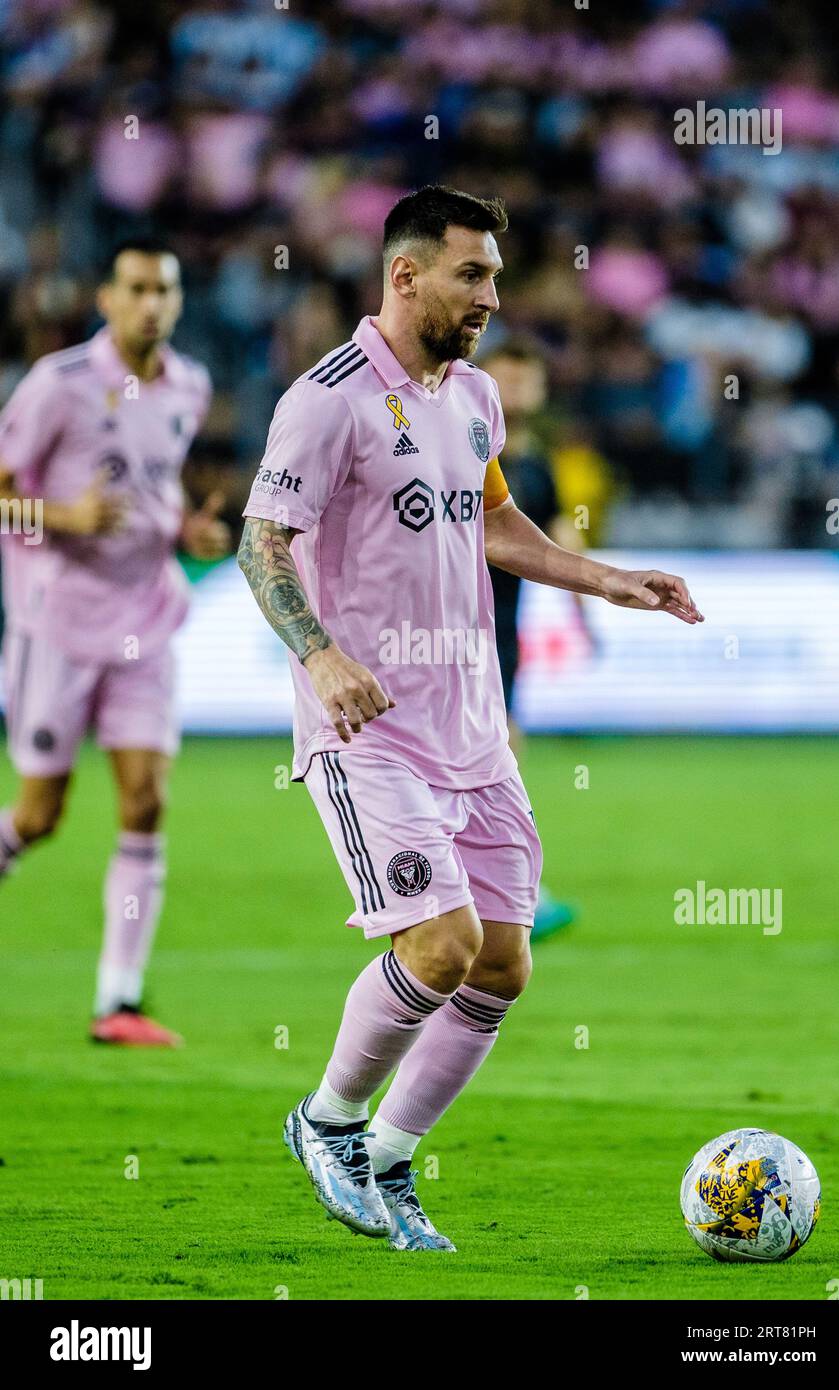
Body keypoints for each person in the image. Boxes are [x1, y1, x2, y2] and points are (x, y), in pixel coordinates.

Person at [238, 185, 703, 1251]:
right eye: (472, 274)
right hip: (371, 729)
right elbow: (259, 545)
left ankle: (393, 1163)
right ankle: (326, 1121)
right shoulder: (328, 399)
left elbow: (491, 519)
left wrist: (603, 578)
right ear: (405, 276)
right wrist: (320, 655)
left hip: (473, 729)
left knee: (500, 960)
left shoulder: (474, 397)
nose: (492, 294)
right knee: (438, 944)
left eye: (493, 274)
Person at [0, 238, 229, 1046]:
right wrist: (65, 518)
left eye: (164, 290)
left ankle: (119, 1000)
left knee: (146, 800)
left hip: (147, 620)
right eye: (136, 288)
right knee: (39, 815)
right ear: (107, 298)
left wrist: (184, 530)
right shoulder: (57, 387)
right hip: (56, 623)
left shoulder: (189, 386)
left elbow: (152, 483)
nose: (151, 304)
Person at [481, 338, 583, 942]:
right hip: (445, 630)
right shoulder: (461, 446)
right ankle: (518, 892)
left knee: (497, 753)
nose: (516, 392)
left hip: (505, 629)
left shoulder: (541, 464)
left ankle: (497, 888)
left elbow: (562, 538)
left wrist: (585, 602)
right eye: (506, 379)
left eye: (526, 380)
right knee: (500, 751)